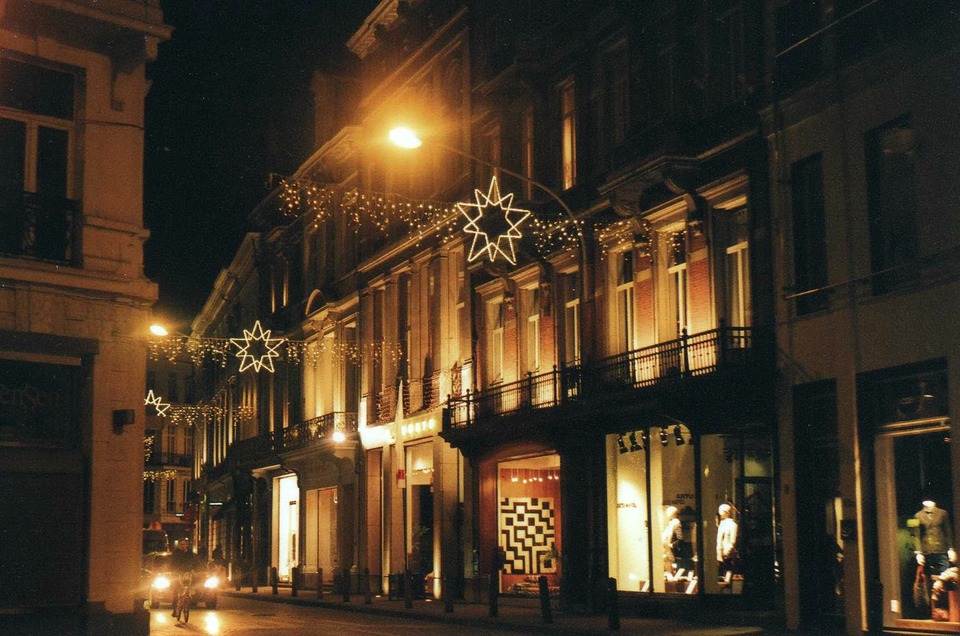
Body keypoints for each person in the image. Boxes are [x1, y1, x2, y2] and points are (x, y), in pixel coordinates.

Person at [170, 540, 201, 616]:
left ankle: (187, 600)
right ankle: (175, 609)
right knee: (176, 591)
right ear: (179, 545)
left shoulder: (190, 553)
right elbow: (172, 563)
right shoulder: (176, 553)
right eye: (181, 544)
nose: (182, 546)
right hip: (178, 573)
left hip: (187, 573)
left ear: (186, 545)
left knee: (189, 586)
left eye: (184, 544)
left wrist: (195, 569)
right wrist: (173, 571)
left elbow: (195, 562)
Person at [716, 503, 739, 585]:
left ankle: (727, 582)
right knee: (721, 571)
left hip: (727, 553)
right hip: (720, 552)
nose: (720, 514)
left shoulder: (733, 525)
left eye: (721, 511)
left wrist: (728, 551)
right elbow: (719, 539)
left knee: (728, 568)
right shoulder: (721, 524)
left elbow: (733, 541)